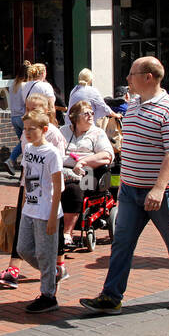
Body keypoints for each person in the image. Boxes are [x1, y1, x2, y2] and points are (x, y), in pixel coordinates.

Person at [80, 56, 169, 315]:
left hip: (162, 192)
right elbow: (131, 148)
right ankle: (111, 296)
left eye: (132, 74)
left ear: (148, 77)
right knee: (121, 243)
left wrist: (158, 188)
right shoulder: (132, 106)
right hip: (131, 189)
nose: (127, 79)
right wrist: (123, 185)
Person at [0, 93, 68, 288]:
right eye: (26, 108)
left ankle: (51, 280)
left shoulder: (53, 139)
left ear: (45, 112)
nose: (28, 112)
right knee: (24, 244)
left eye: (34, 109)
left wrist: (52, 212)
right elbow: (27, 167)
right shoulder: (28, 139)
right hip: (30, 193)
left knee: (45, 244)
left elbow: (56, 176)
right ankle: (48, 269)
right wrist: (24, 193)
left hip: (47, 198)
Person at [15, 110, 65, 314]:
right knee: (23, 249)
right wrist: (25, 201)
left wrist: (53, 216)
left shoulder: (51, 153)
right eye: (25, 128)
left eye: (31, 129)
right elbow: (27, 176)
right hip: (30, 208)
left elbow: (57, 185)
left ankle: (48, 295)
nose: (27, 132)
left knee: (46, 253)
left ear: (44, 129)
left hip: (46, 211)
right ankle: (51, 272)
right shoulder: (27, 149)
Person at [59, 100, 114, 248]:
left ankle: (67, 233)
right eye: (86, 113)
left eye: (92, 113)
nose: (91, 116)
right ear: (75, 117)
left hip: (89, 173)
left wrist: (83, 162)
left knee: (73, 189)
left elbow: (107, 155)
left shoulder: (97, 133)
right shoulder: (63, 131)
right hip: (63, 170)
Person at [5, 61, 31, 175]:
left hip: (14, 117)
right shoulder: (25, 86)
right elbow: (27, 102)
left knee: (23, 143)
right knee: (25, 143)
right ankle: (11, 160)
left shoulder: (13, 85)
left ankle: (21, 167)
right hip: (22, 117)